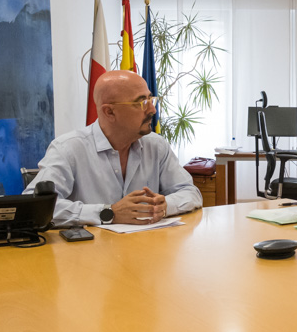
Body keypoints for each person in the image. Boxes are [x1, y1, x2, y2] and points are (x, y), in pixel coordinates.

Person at [24, 70, 202, 227]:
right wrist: (109, 213)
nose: (152, 110)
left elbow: (190, 192)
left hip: (146, 251)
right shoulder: (68, 149)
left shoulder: (156, 145)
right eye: (141, 103)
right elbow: (35, 207)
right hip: (87, 257)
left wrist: (163, 206)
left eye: (150, 99)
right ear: (109, 112)